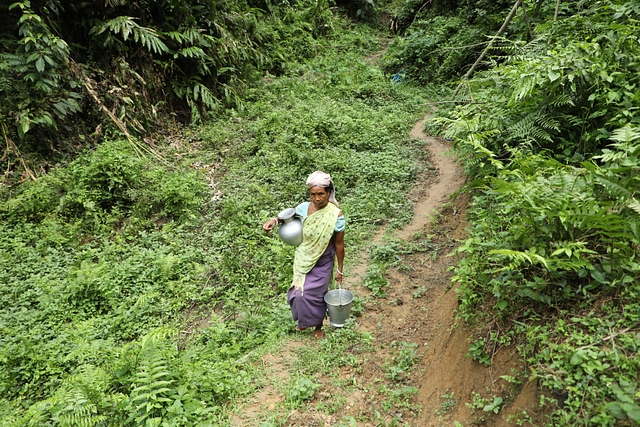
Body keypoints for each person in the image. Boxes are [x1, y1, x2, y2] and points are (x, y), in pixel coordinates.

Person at [263, 171, 345, 338]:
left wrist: (340, 270)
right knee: (297, 293)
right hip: (304, 256)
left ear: (328, 193)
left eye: (321, 194)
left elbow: (339, 244)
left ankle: (318, 327)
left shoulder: (335, 215)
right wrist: (274, 220)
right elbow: (287, 216)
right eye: (313, 194)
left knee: (317, 294)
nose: (317, 198)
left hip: (323, 260)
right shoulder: (302, 208)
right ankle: (304, 321)